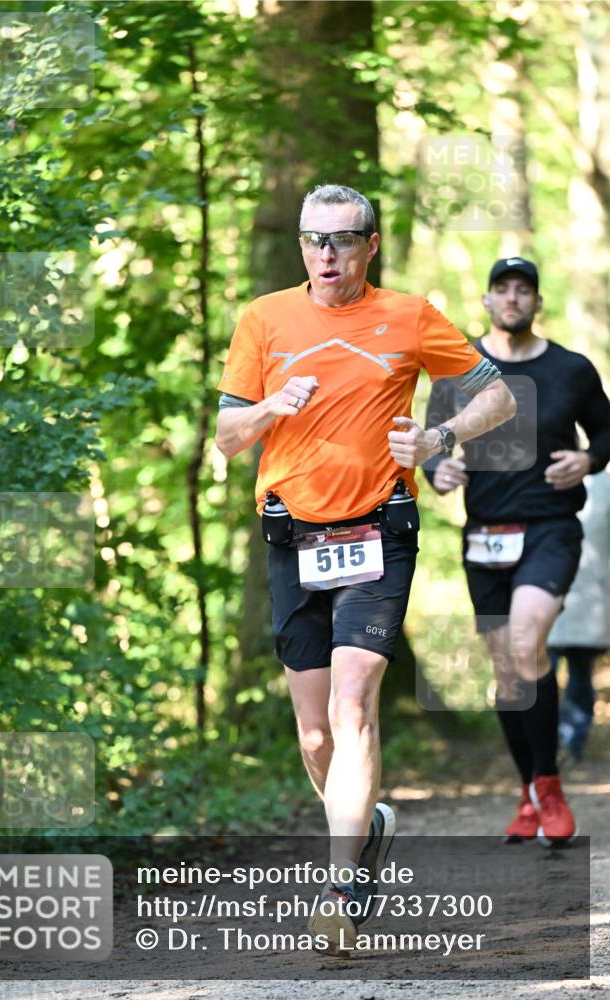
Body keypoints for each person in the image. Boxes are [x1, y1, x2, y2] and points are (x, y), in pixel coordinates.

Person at [215, 184, 515, 951]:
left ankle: (340, 890)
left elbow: (499, 397)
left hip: (378, 530)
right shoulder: (264, 319)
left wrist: (441, 437)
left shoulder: (409, 315)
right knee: (315, 734)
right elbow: (225, 437)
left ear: (369, 245)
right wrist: (270, 406)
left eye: (343, 240)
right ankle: (366, 826)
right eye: (314, 239)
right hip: (291, 536)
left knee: (352, 707)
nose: (325, 254)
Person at [424, 256, 610, 845]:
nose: (512, 299)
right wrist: (438, 469)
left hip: (550, 527)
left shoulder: (571, 369)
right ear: (486, 301)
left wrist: (589, 459)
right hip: (484, 534)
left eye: (523, 290)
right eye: (502, 289)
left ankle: (549, 786)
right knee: (507, 670)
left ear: (536, 302)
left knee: (529, 638)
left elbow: (606, 431)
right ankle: (529, 789)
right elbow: (431, 443)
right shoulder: (459, 372)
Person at [548, 472, 610, 760]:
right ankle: (563, 739)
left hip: (579, 597)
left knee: (570, 673)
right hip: (561, 594)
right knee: (552, 671)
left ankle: (566, 740)